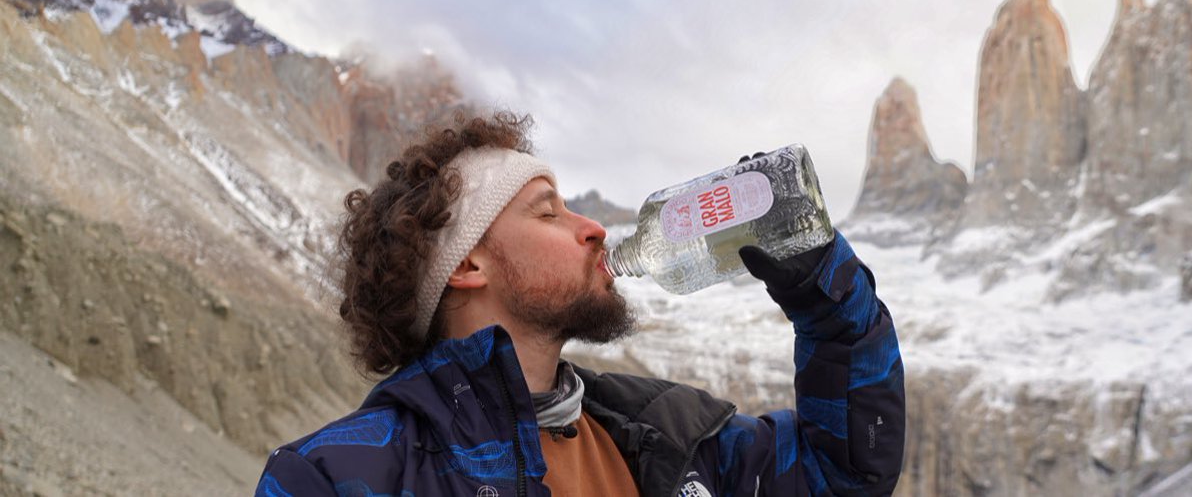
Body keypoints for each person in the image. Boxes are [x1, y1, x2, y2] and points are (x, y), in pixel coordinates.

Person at [255, 111, 905, 496]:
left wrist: (825, 295)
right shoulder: (338, 478)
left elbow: (842, 475)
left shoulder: (665, 437)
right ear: (468, 265)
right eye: (549, 213)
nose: (591, 227)